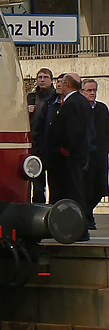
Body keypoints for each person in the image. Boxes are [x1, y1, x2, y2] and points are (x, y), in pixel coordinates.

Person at [44, 73, 94, 239]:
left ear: (67, 84)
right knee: (65, 191)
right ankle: (63, 227)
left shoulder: (72, 103)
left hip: (68, 157)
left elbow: (73, 129)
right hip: (73, 155)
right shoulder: (80, 102)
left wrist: (65, 148)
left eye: (62, 83)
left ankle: (79, 228)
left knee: (72, 191)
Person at [82, 78, 109, 232]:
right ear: (82, 91)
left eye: (94, 90)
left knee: (100, 189)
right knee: (86, 188)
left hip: (100, 156)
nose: (92, 93)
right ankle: (87, 217)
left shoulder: (102, 109)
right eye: (89, 90)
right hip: (85, 156)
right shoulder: (80, 108)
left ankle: (88, 213)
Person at [28, 68, 56, 203]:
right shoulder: (32, 98)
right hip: (35, 145)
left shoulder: (55, 98)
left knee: (54, 184)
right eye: (40, 77)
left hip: (51, 146)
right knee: (37, 185)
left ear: (51, 80)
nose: (42, 80)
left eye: (45, 77)